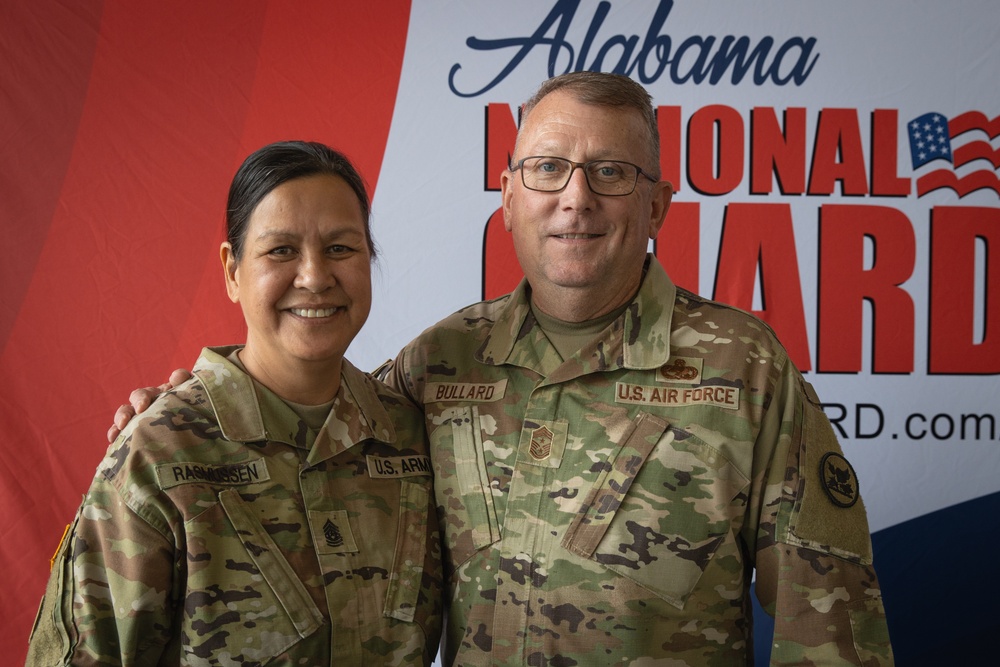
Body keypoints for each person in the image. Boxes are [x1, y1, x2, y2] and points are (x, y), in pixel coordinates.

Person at [109, 73, 893, 666]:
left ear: (658, 206)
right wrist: (193, 409)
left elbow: (830, 623)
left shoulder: (745, 369)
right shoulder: (440, 361)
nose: (575, 199)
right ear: (510, 197)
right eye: (548, 169)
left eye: (612, 173)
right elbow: (316, 416)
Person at [28, 141, 442, 665]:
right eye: (280, 250)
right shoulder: (159, 455)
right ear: (232, 270)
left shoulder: (413, 435)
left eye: (341, 248)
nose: (315, 277)